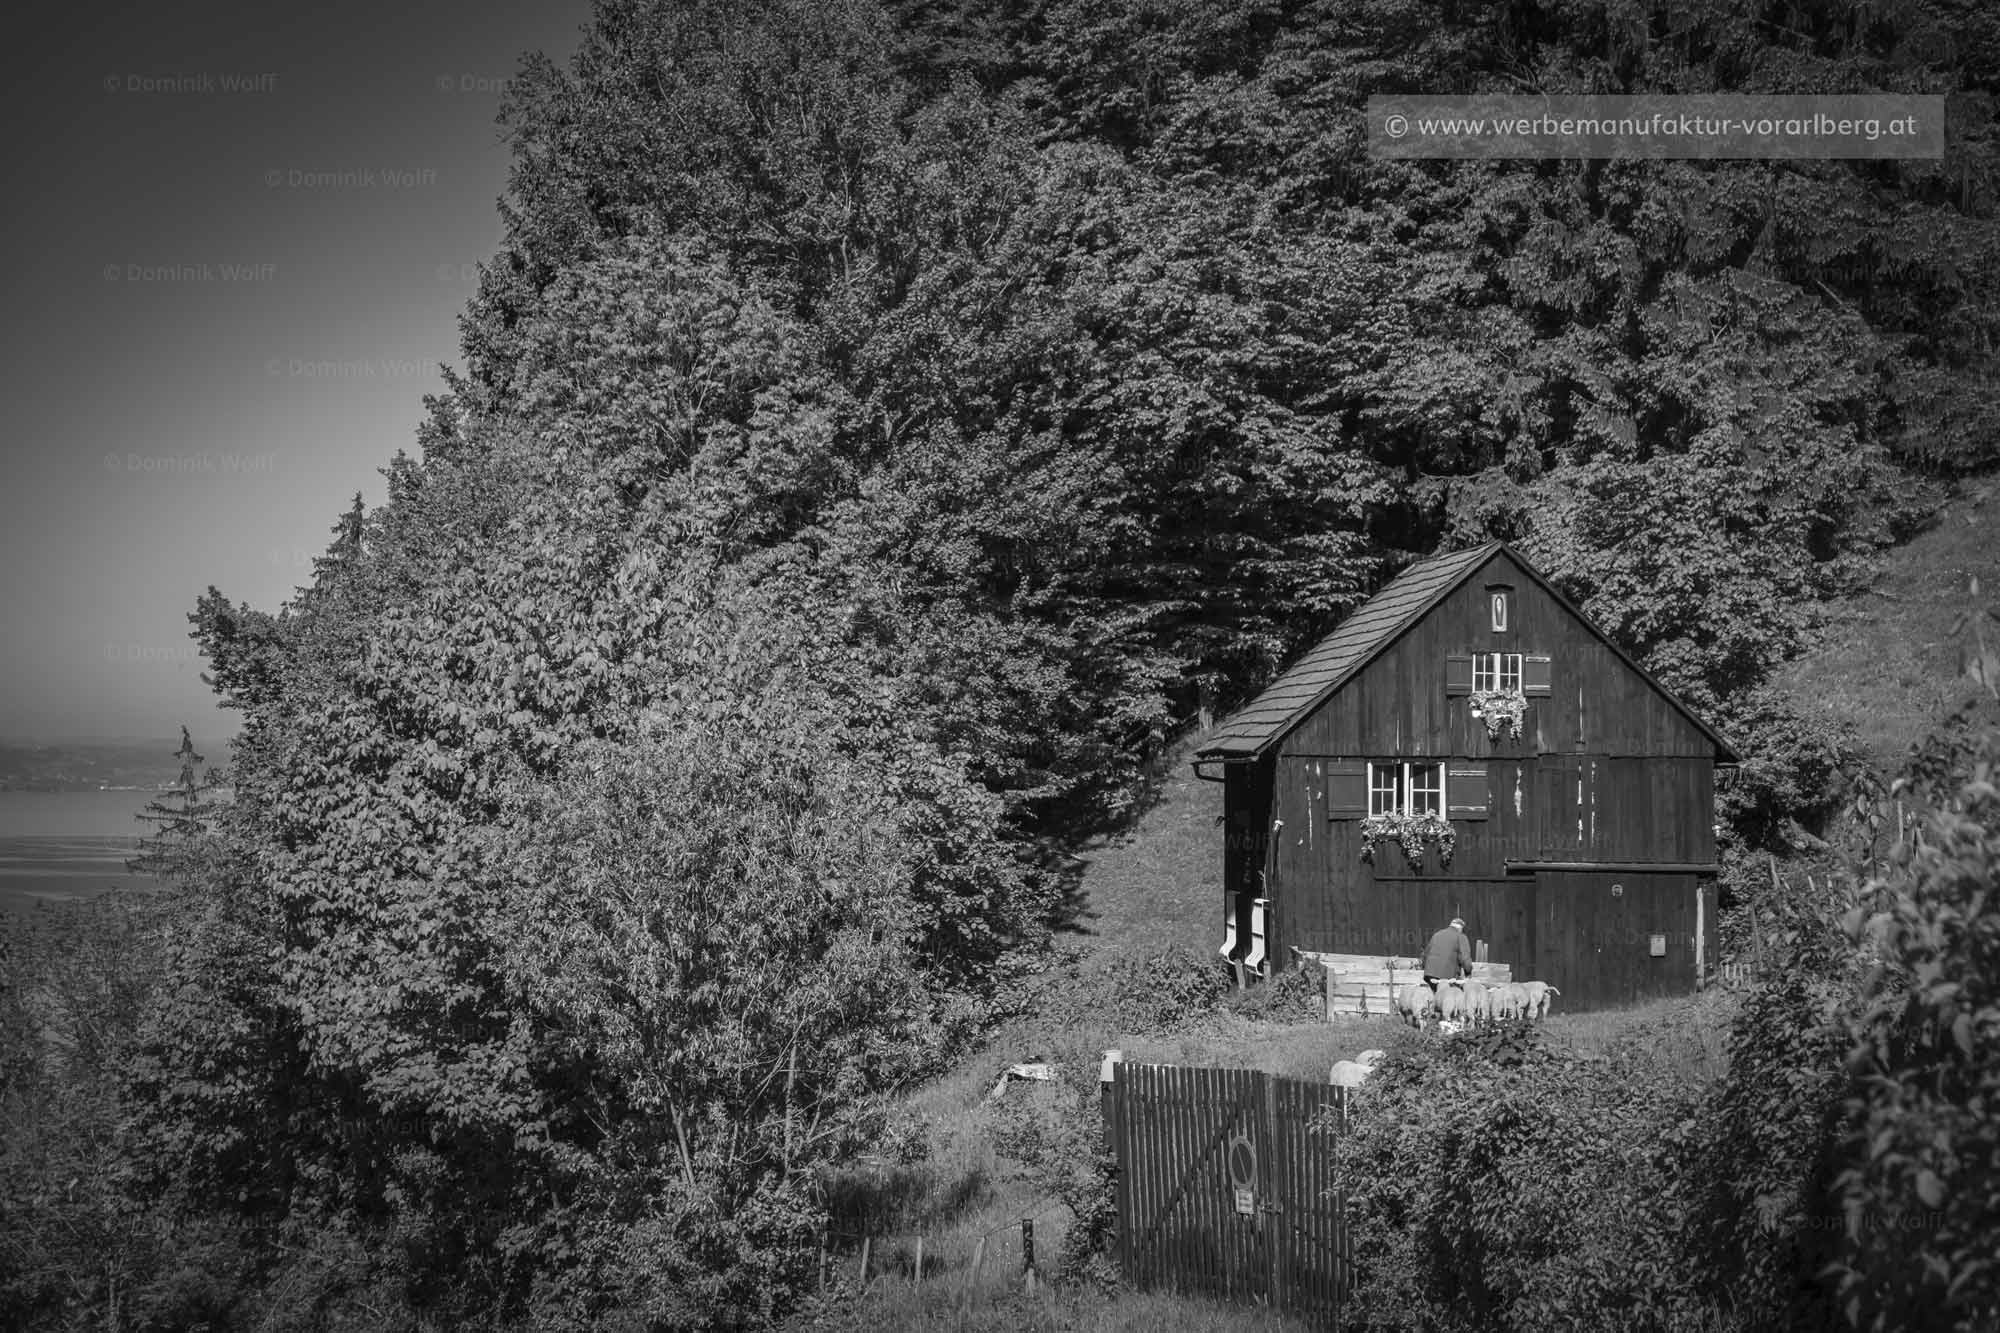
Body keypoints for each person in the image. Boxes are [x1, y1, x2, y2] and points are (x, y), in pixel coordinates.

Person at [1422, 917, 1473, 992]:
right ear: (1461, 928)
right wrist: (1468, 972)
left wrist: (1426, 969)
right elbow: (1465, 959)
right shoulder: (1461, 936)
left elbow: (1425, 955)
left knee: (1438, 997)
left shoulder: (1437, 934)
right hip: (1447, 978)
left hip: (1430, 976)